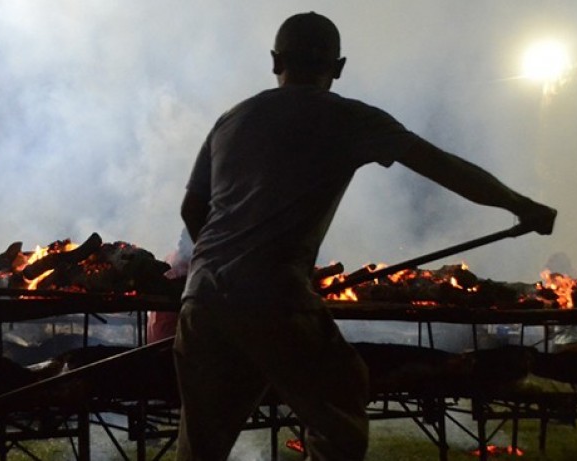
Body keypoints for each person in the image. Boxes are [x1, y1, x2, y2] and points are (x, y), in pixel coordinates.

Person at [173, 11, 557, 461]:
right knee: (341, 401)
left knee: (201, 446)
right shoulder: (348, 118)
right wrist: (520, 205)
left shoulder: (231, 120)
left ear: (275, 60)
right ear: (338, 68)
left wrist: (223, 269)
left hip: (201, 300)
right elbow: (445, 167)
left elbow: (191, 209)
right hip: (275, 296)